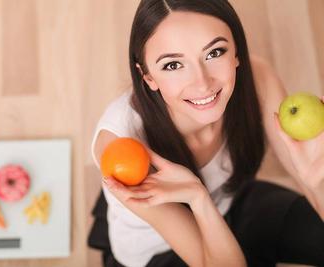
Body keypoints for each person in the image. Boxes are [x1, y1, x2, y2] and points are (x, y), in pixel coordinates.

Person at [88, 0, 324, 266]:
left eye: (214, 53)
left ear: (236, 51)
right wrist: (197, 198)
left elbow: (314, 187)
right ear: (148, 77)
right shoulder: (121, 147)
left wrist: (315, 182)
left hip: (231, 203)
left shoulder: (257, 78)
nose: (202, 84)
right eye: (173, 65)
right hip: (160, 250)